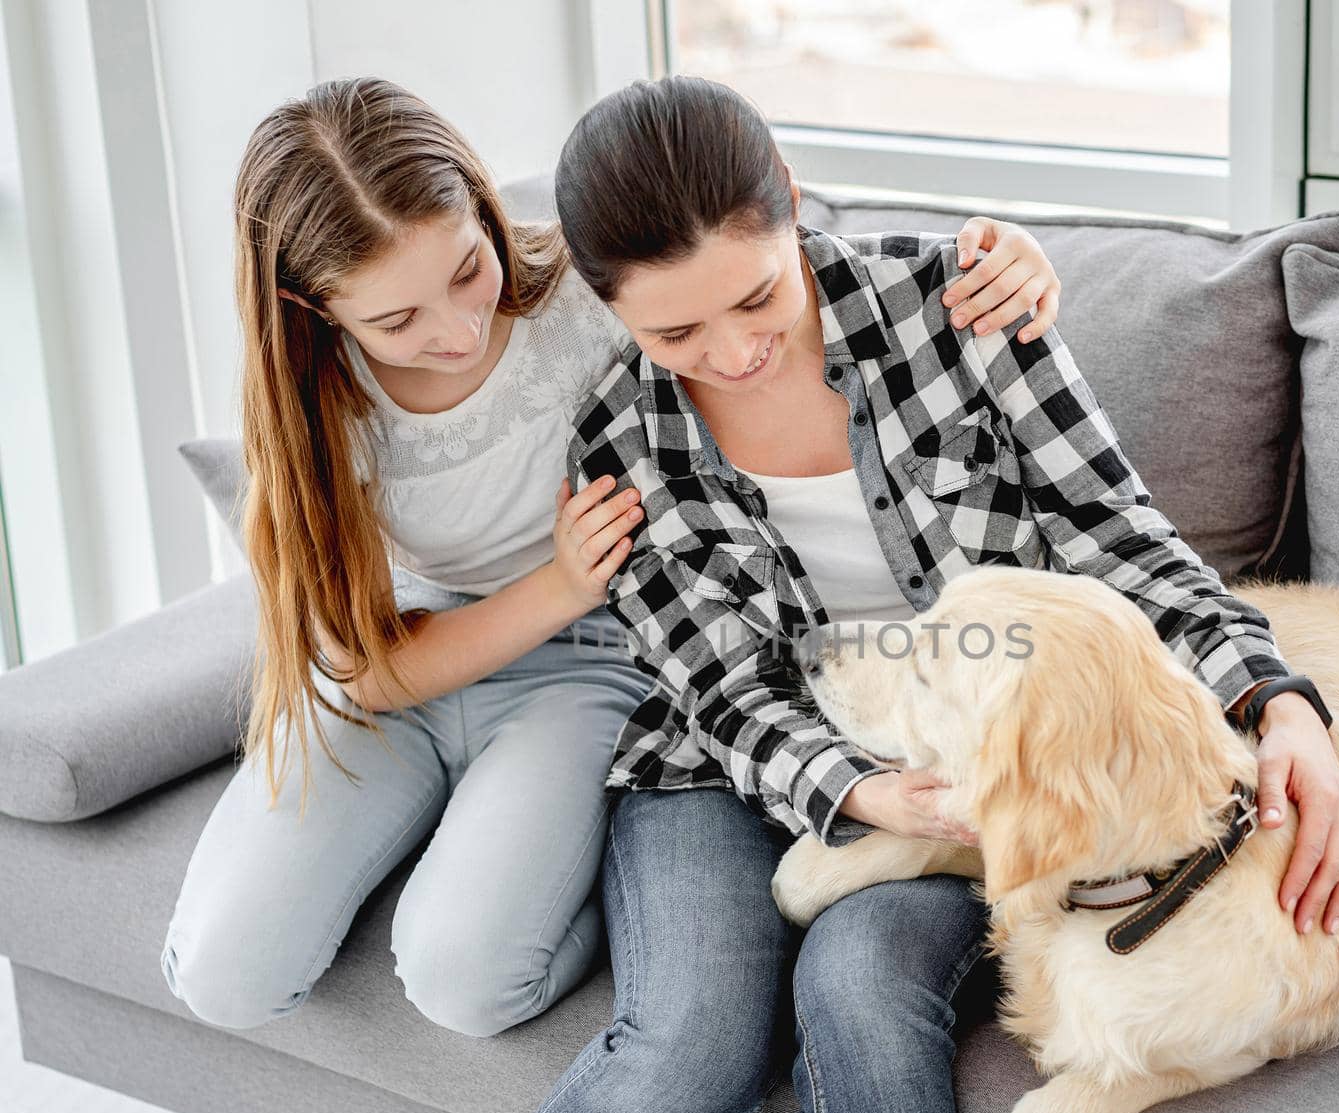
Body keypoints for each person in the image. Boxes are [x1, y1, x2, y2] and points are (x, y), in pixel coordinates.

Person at [437, 76, 1339, 1113]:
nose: (730, 352)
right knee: (684, 1051)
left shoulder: (961, 308)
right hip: (726, 762)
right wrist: (858, 793)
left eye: (755, 294)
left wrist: (1279, 703)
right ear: (609, 307)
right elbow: (724, 694)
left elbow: (1117, 540)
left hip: (960, 753)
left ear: (787, 202)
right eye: (674, 334)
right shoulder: (620, 435)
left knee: (863, 981)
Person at [160, 76, 1064, 1043]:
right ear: (313, 308)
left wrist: (1001, 255)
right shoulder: (305, 407)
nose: (457, 331)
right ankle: (457, 837)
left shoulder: (587, 296)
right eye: (395, 322)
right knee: (223, 976)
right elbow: (367, 673)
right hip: (408, 666)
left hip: (591, 659)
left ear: (480, 200)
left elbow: (751, 246)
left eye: (469, 270)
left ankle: (555, 883)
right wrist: (558, 581)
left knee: (466, 980)